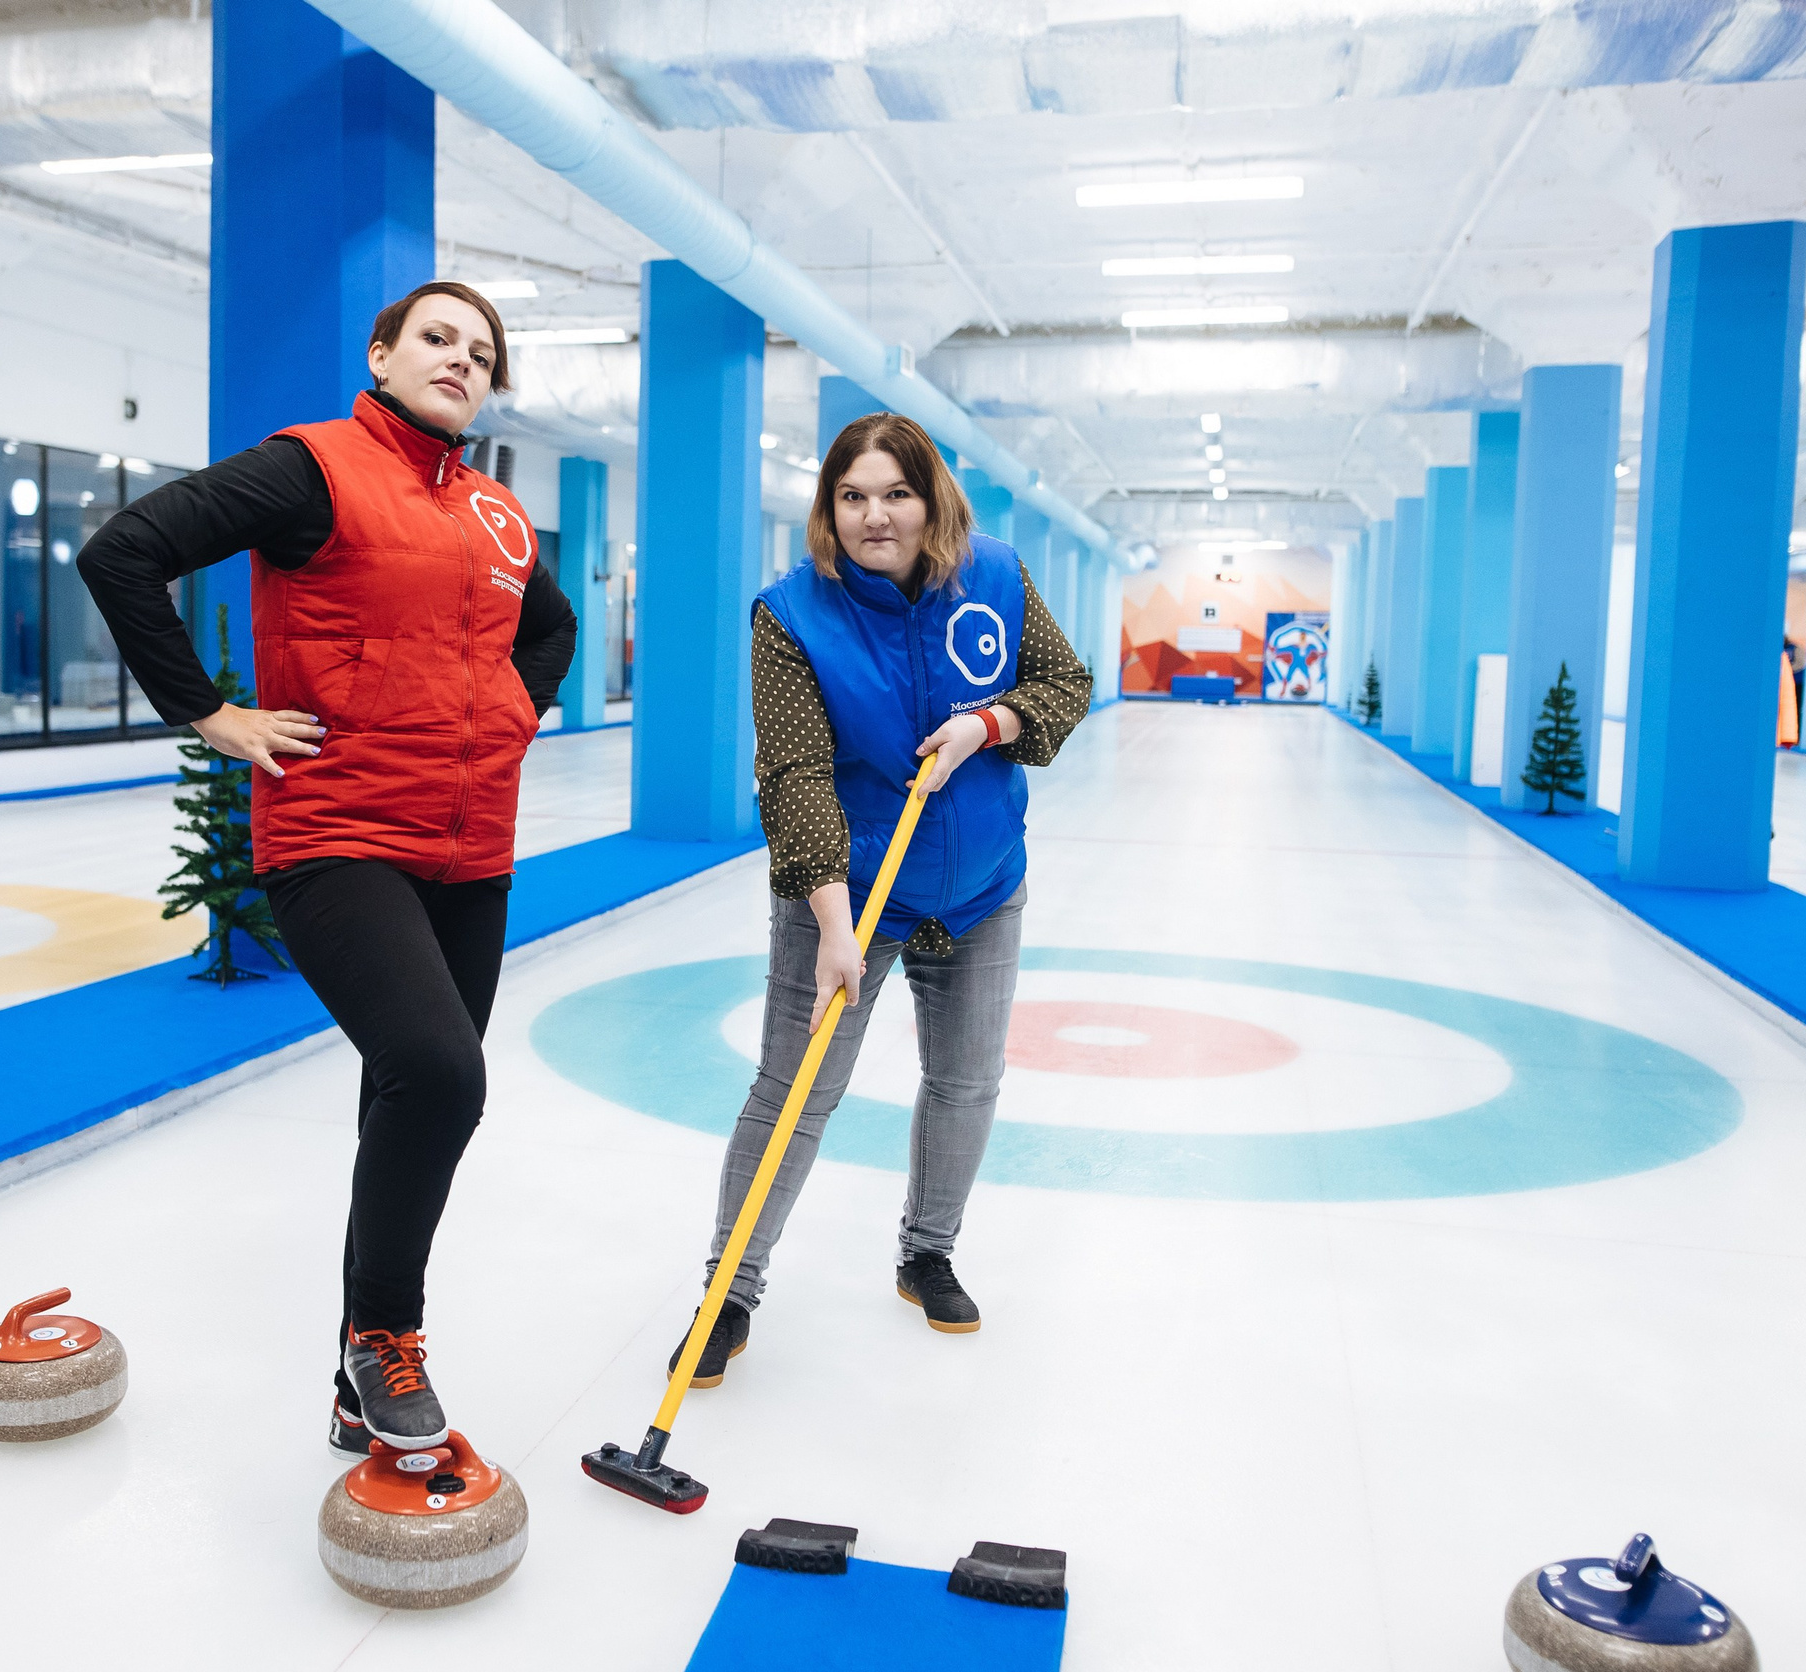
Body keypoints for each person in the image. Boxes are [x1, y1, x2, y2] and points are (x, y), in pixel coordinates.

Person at [78, 282, 575, 1456]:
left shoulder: (499, 514)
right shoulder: (312, 469)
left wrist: (516, 709)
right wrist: (209, 712)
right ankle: (389, 1338)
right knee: (441, 1073)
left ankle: (357, 1380)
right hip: (338, 833)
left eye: (482, 351)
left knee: (405, 1095)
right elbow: (125, 553)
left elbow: (544, 629)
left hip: (470, 843)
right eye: (439, 339)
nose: (461, 359)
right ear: (383, 353)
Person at [672, 412, 1093, 1388]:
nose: (874, 516)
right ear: (827, 508)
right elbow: (794, 777)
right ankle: (728, 1291)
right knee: (794, 1088)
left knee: (966, 1079)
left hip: (983, 881)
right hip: (850, 888)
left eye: (895, 493)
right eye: (851, 496)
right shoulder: (791, 613)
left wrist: (988, 724)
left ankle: (926, 1251)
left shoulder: (993, 573)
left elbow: (1062, 684)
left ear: (930, 498)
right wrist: (828, 920)